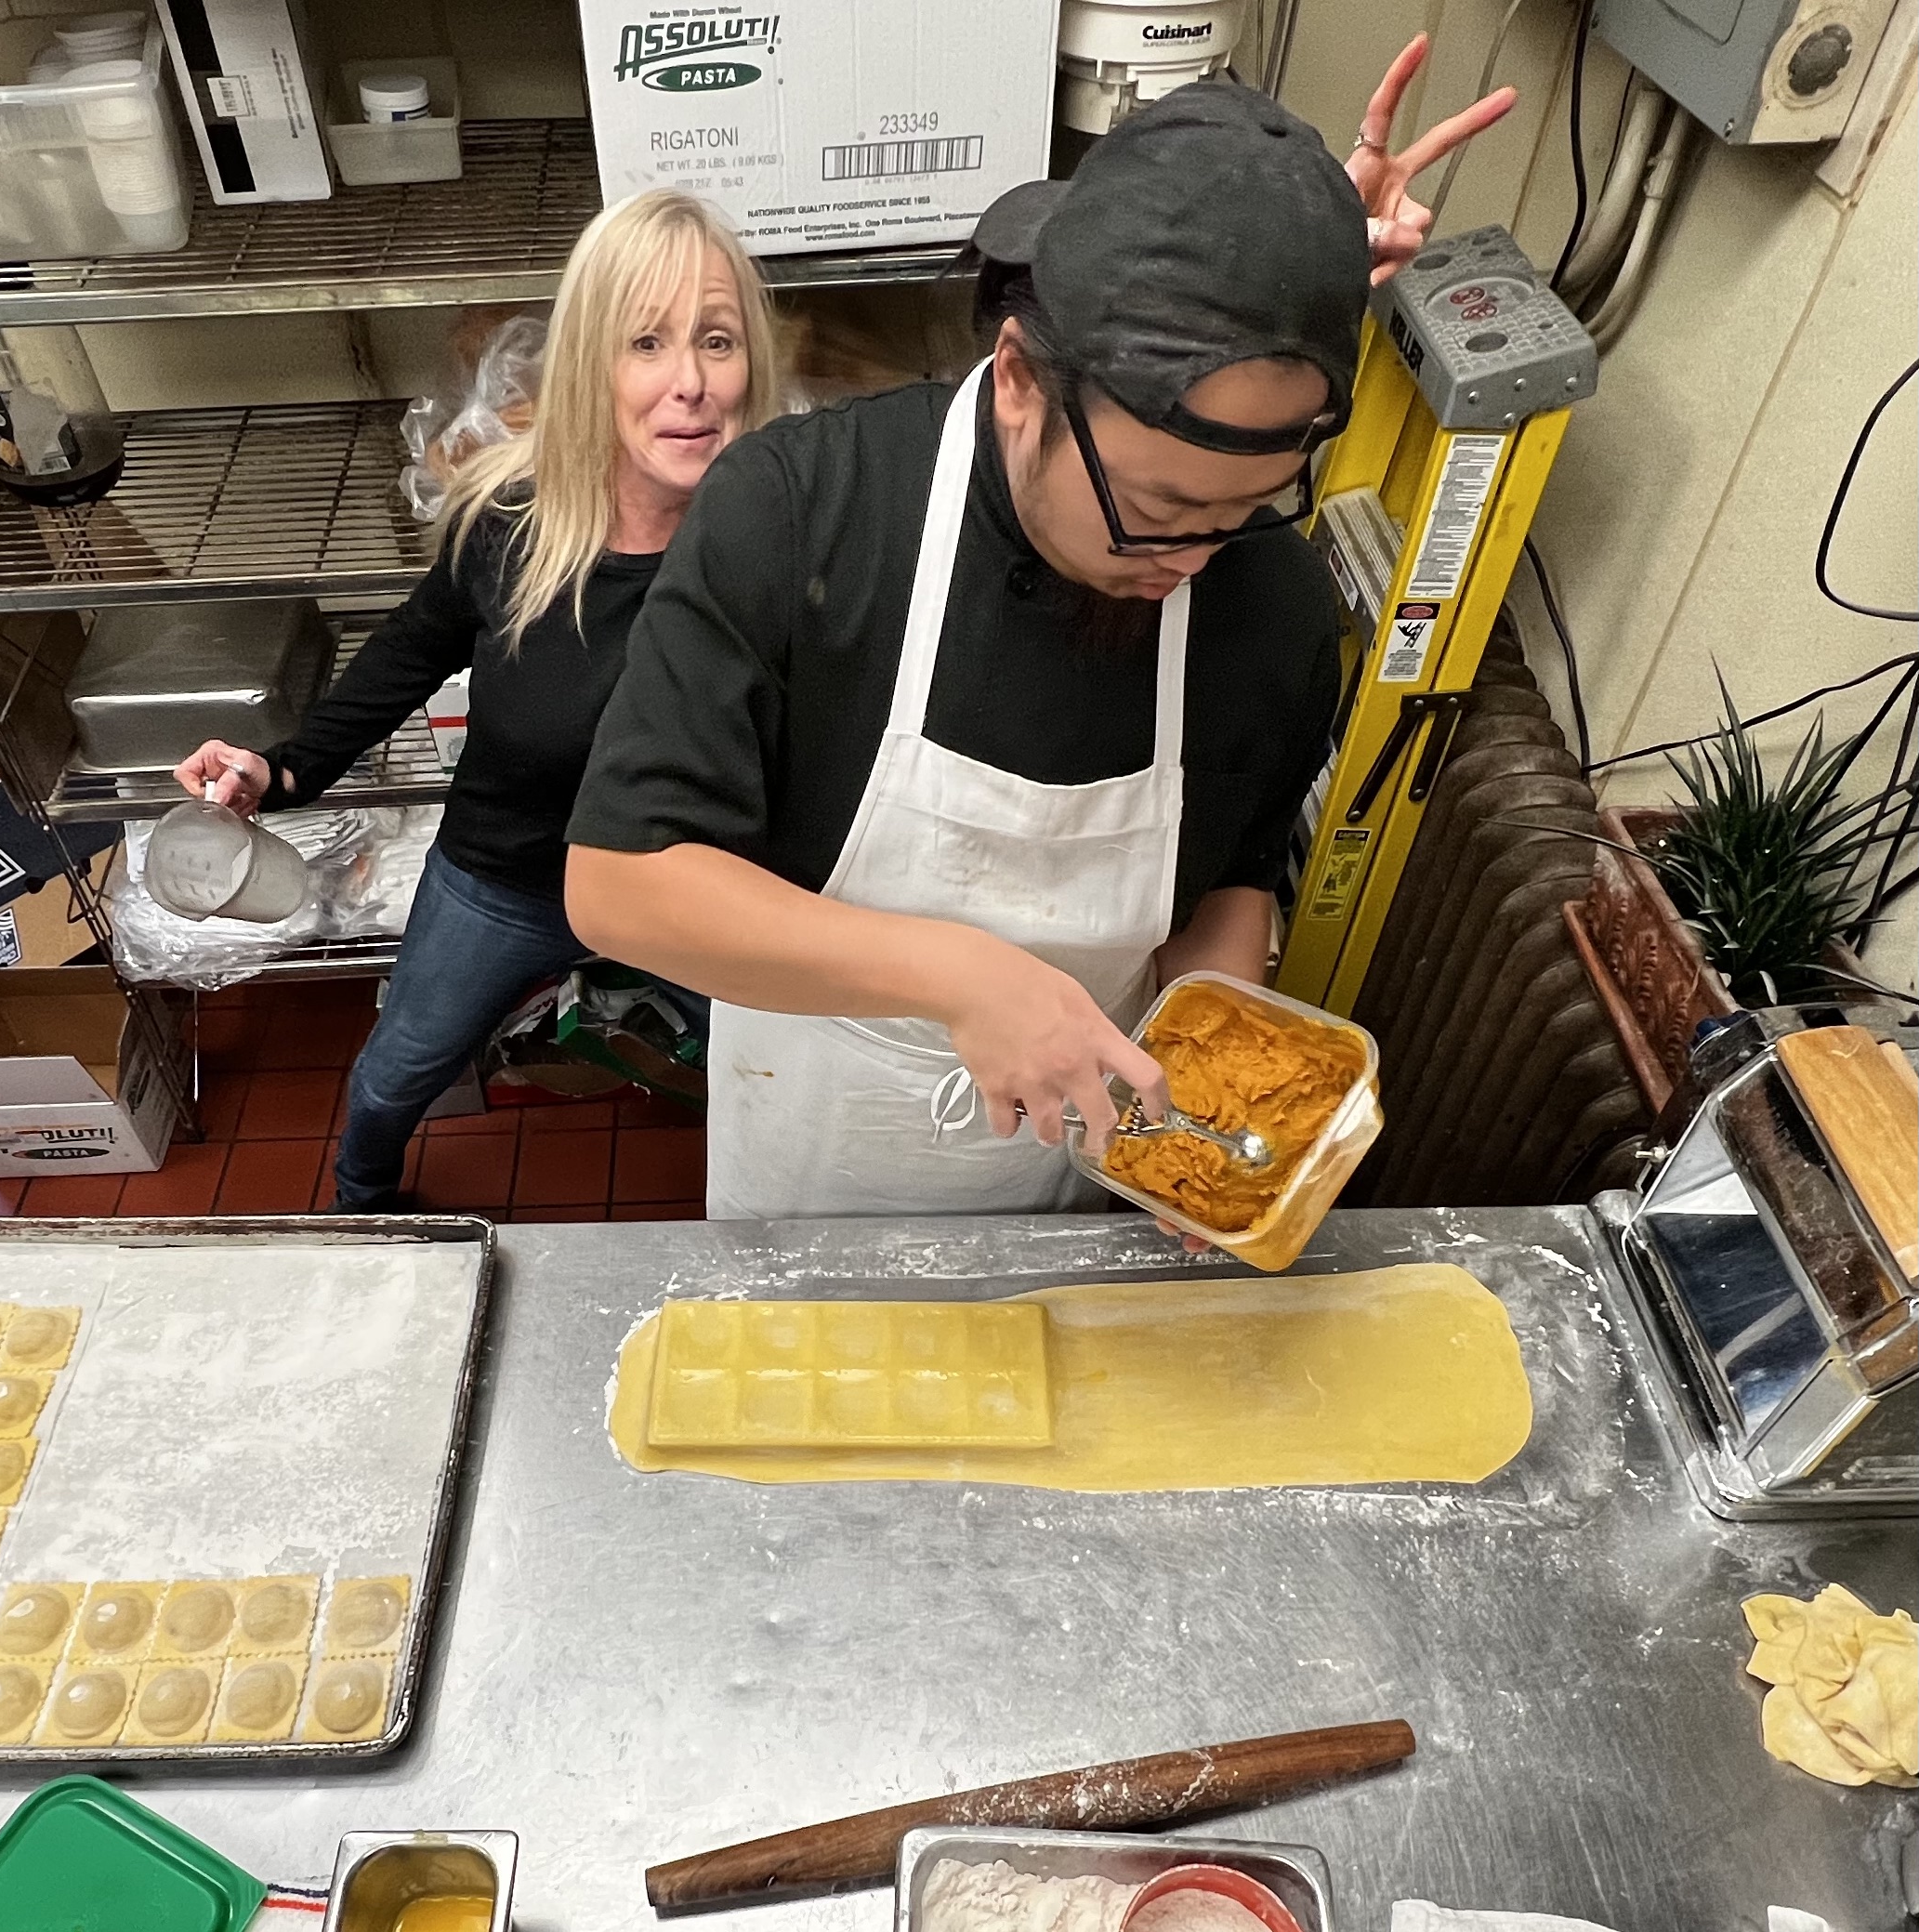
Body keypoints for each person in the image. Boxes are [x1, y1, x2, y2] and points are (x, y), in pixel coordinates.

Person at [562, 55, 1509, 1221]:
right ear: (1018, 379)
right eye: (1154, 513)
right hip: (806, 1168)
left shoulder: (1267, 608)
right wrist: (959, 976)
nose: (1190, 562)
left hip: (1068, 1183)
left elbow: (1223, 884)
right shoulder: (805, 510)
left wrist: (1203, 1119)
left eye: (1238, 513)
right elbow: (622, 886)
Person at [172, 190, 781, 1211]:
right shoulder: (510, 518)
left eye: (716, 341)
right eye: (646, 341)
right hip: (509, 879)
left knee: (777, 1067)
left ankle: (771, 1206)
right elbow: (413, 645)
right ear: (593, 360)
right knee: (400, 1065)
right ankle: (361, 1195)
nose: (690, 383)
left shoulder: (780, 540)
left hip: (698, 885)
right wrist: (285, 766)